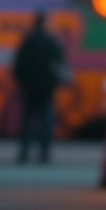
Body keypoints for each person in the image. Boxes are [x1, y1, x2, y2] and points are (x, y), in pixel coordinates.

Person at [12, 10, 65, 163]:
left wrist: (21, 81)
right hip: (46, 88)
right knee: (46, 119)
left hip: (29, 87)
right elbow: (58, 64)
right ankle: (44, 152)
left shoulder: (28, 41)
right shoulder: (51, 41)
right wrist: (55, 83)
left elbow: (19, 64)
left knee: (27, 119)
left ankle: (24, 152)